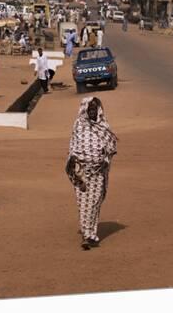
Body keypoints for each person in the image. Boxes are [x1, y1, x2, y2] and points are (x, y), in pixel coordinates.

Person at [65, 97, 117, 250]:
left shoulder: (104, 126)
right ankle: (88, 236)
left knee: (94, 203)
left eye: (95, 109)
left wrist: (105, 160)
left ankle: (89, 233)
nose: (93, 112)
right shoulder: (79, 125)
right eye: (90, 110)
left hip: (98, 172)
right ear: (85, 110)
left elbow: (111, 147)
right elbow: (73, 146)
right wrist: (74, 161)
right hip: (81, 171)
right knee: (83, 203)